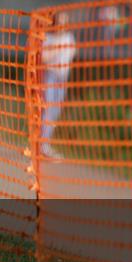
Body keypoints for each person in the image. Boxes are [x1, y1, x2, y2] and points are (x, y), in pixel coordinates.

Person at [40, 11, 77, 159]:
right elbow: (44, 57)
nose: (61, 25)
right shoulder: (48, 38)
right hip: (50, 76)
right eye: (59, 21)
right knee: (47, 110)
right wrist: (56, 47)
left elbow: (70, 55)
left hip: (62, 78)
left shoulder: (69, 38)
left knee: (55, 111)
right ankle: (42, 145)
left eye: (64, 22)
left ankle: (45, 142)